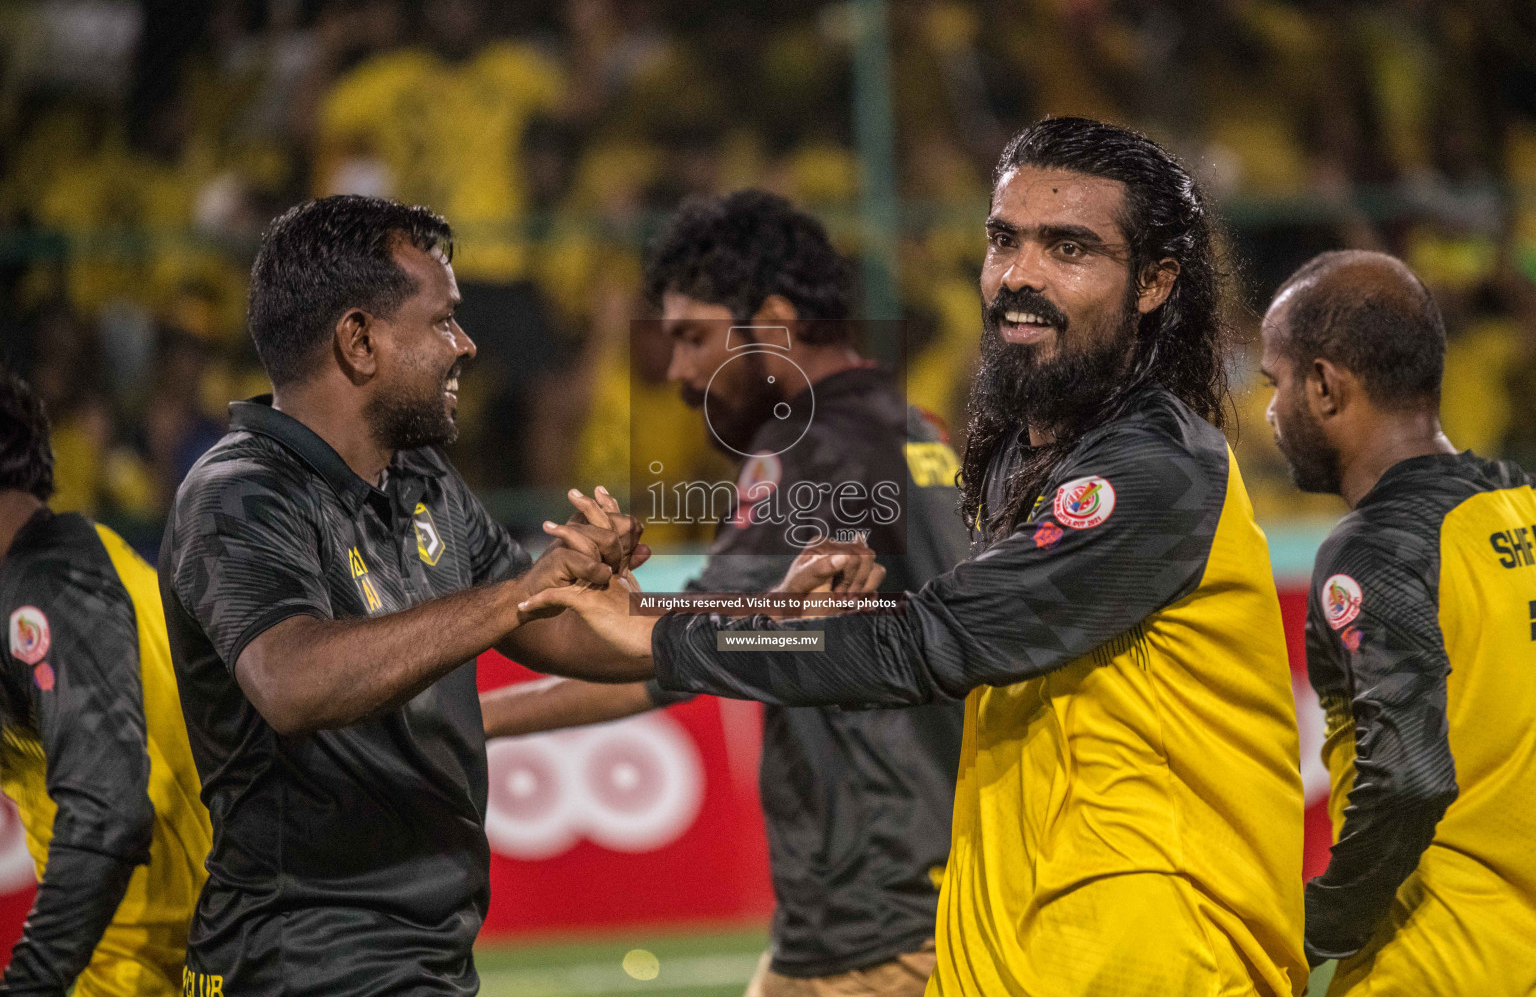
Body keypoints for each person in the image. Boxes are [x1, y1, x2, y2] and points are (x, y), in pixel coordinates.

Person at [510, 117, 1310, 996]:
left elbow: (935, 640)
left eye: (1069, 248)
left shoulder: (1139, 466)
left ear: (1155, 283)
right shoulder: (961, 439)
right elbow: (949, 628)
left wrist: (645, 640)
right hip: (995, 921)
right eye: (1004, 240)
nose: (1019, 274)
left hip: (1086, 941)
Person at [479, 190, 971, 997]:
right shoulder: (909, 426)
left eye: (692, 338)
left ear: (773, 321)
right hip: (924, 894)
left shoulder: (807, 444)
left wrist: (477, 720)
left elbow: (677, 654)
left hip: (876, 923)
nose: (678, 371)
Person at [158, 195, 637, 996]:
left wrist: (777, 615)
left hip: (422, 958)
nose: (467, 344)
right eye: (443, 320)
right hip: (299, 965)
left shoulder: (421, 479)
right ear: (359, 340)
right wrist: (520, 592)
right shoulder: (238, 495)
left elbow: (572, 632)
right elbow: (292, 683)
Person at [1259, 250, 1536, 996]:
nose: (1269, 412)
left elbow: (1408, 778)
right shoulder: (1523, 504)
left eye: (1275, 383)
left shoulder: (1375, 550)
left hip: (1435, 967)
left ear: (1324, 386)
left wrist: (1309, 932)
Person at [0, 368, 211, 996]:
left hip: (142, 973)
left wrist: (31, 984)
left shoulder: (44, 595)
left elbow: (110, 810)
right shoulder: (95, 560)